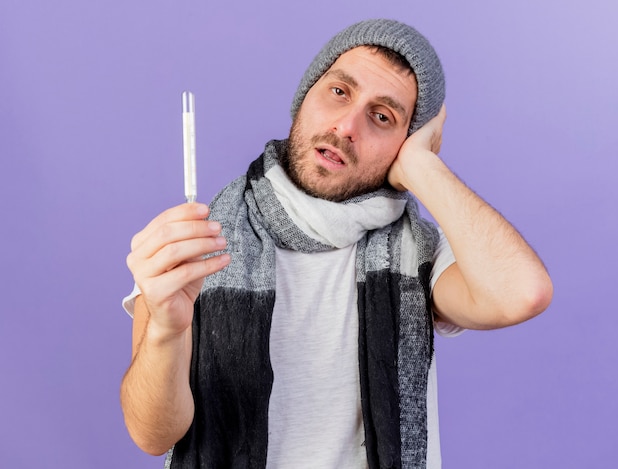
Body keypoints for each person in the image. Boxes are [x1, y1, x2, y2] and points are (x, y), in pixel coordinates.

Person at [120, 18, 553, 469]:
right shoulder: (192, 245)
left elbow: (522, 293)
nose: (348, 126)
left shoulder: (422, 255)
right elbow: (152, 435)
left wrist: (424, 169)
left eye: (382, 117)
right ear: (303, 99)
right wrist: (166, 331)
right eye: (340, 92)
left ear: (404, 147)